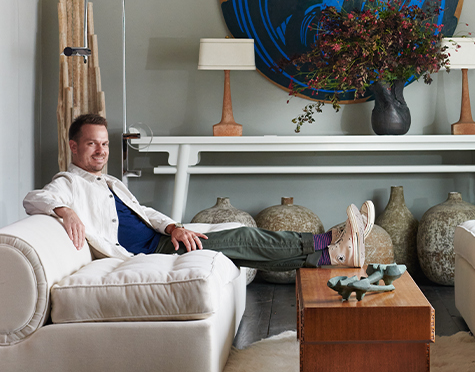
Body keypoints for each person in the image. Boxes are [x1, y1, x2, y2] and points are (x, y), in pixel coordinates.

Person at [24, 114, 372, 269]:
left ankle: (331, 253)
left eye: (104, 144)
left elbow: (145, 212)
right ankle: (325, 242)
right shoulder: (67, 184)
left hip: (164, 238)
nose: (101, 151)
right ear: (73, 147)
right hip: (150, 254)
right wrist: (65, 211)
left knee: (242, 245)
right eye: (91, 144)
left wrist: (174, 227)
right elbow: (34, 198)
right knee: (242, 238)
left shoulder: (109, 181)